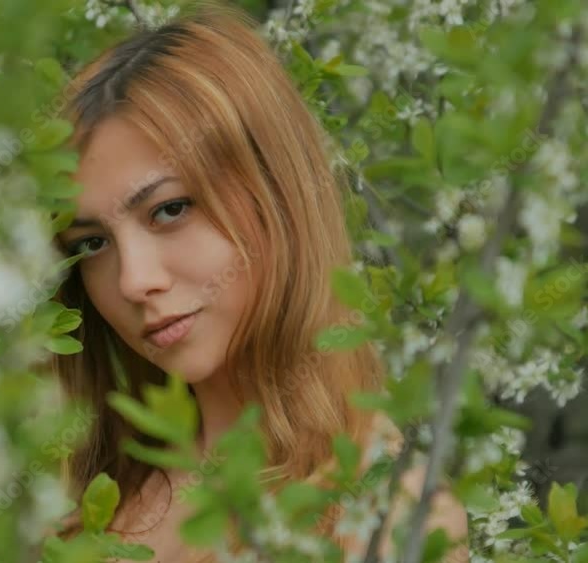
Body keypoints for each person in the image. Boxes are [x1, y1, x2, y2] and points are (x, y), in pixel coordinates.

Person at [43, 2, 470, 562]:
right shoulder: (82, 507)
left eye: (169, 209)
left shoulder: (388, 512)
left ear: (275, 193)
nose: (134, 280)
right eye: (93, 243)